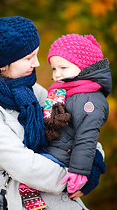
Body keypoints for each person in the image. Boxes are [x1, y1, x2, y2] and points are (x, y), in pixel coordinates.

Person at [0, 17, 89, 210]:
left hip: (64, 200)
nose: (36, 63)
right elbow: (24, 165)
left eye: (36, 54)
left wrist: (87, 170)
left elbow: (79, 129)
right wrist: (73, 178)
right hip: (24, 202)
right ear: (3, 64)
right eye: (28, 58)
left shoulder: (30, 88)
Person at [19, 34, 111, 208]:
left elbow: (87, 136)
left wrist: (79, 172)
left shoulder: (88, 99)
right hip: (54, 151)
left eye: (63, 67)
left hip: (66, 159)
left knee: (31, 180)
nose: (57, 74)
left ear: (84, 68)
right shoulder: (63, 91)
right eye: (54, 69)